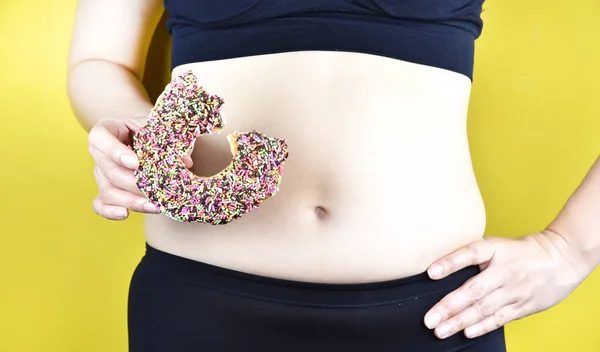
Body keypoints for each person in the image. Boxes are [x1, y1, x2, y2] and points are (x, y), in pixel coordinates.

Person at [67, 0, 600, 351]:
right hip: (200, 303)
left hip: (435, 315)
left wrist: (571, 248)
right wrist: (135, 127)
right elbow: (98, 60)